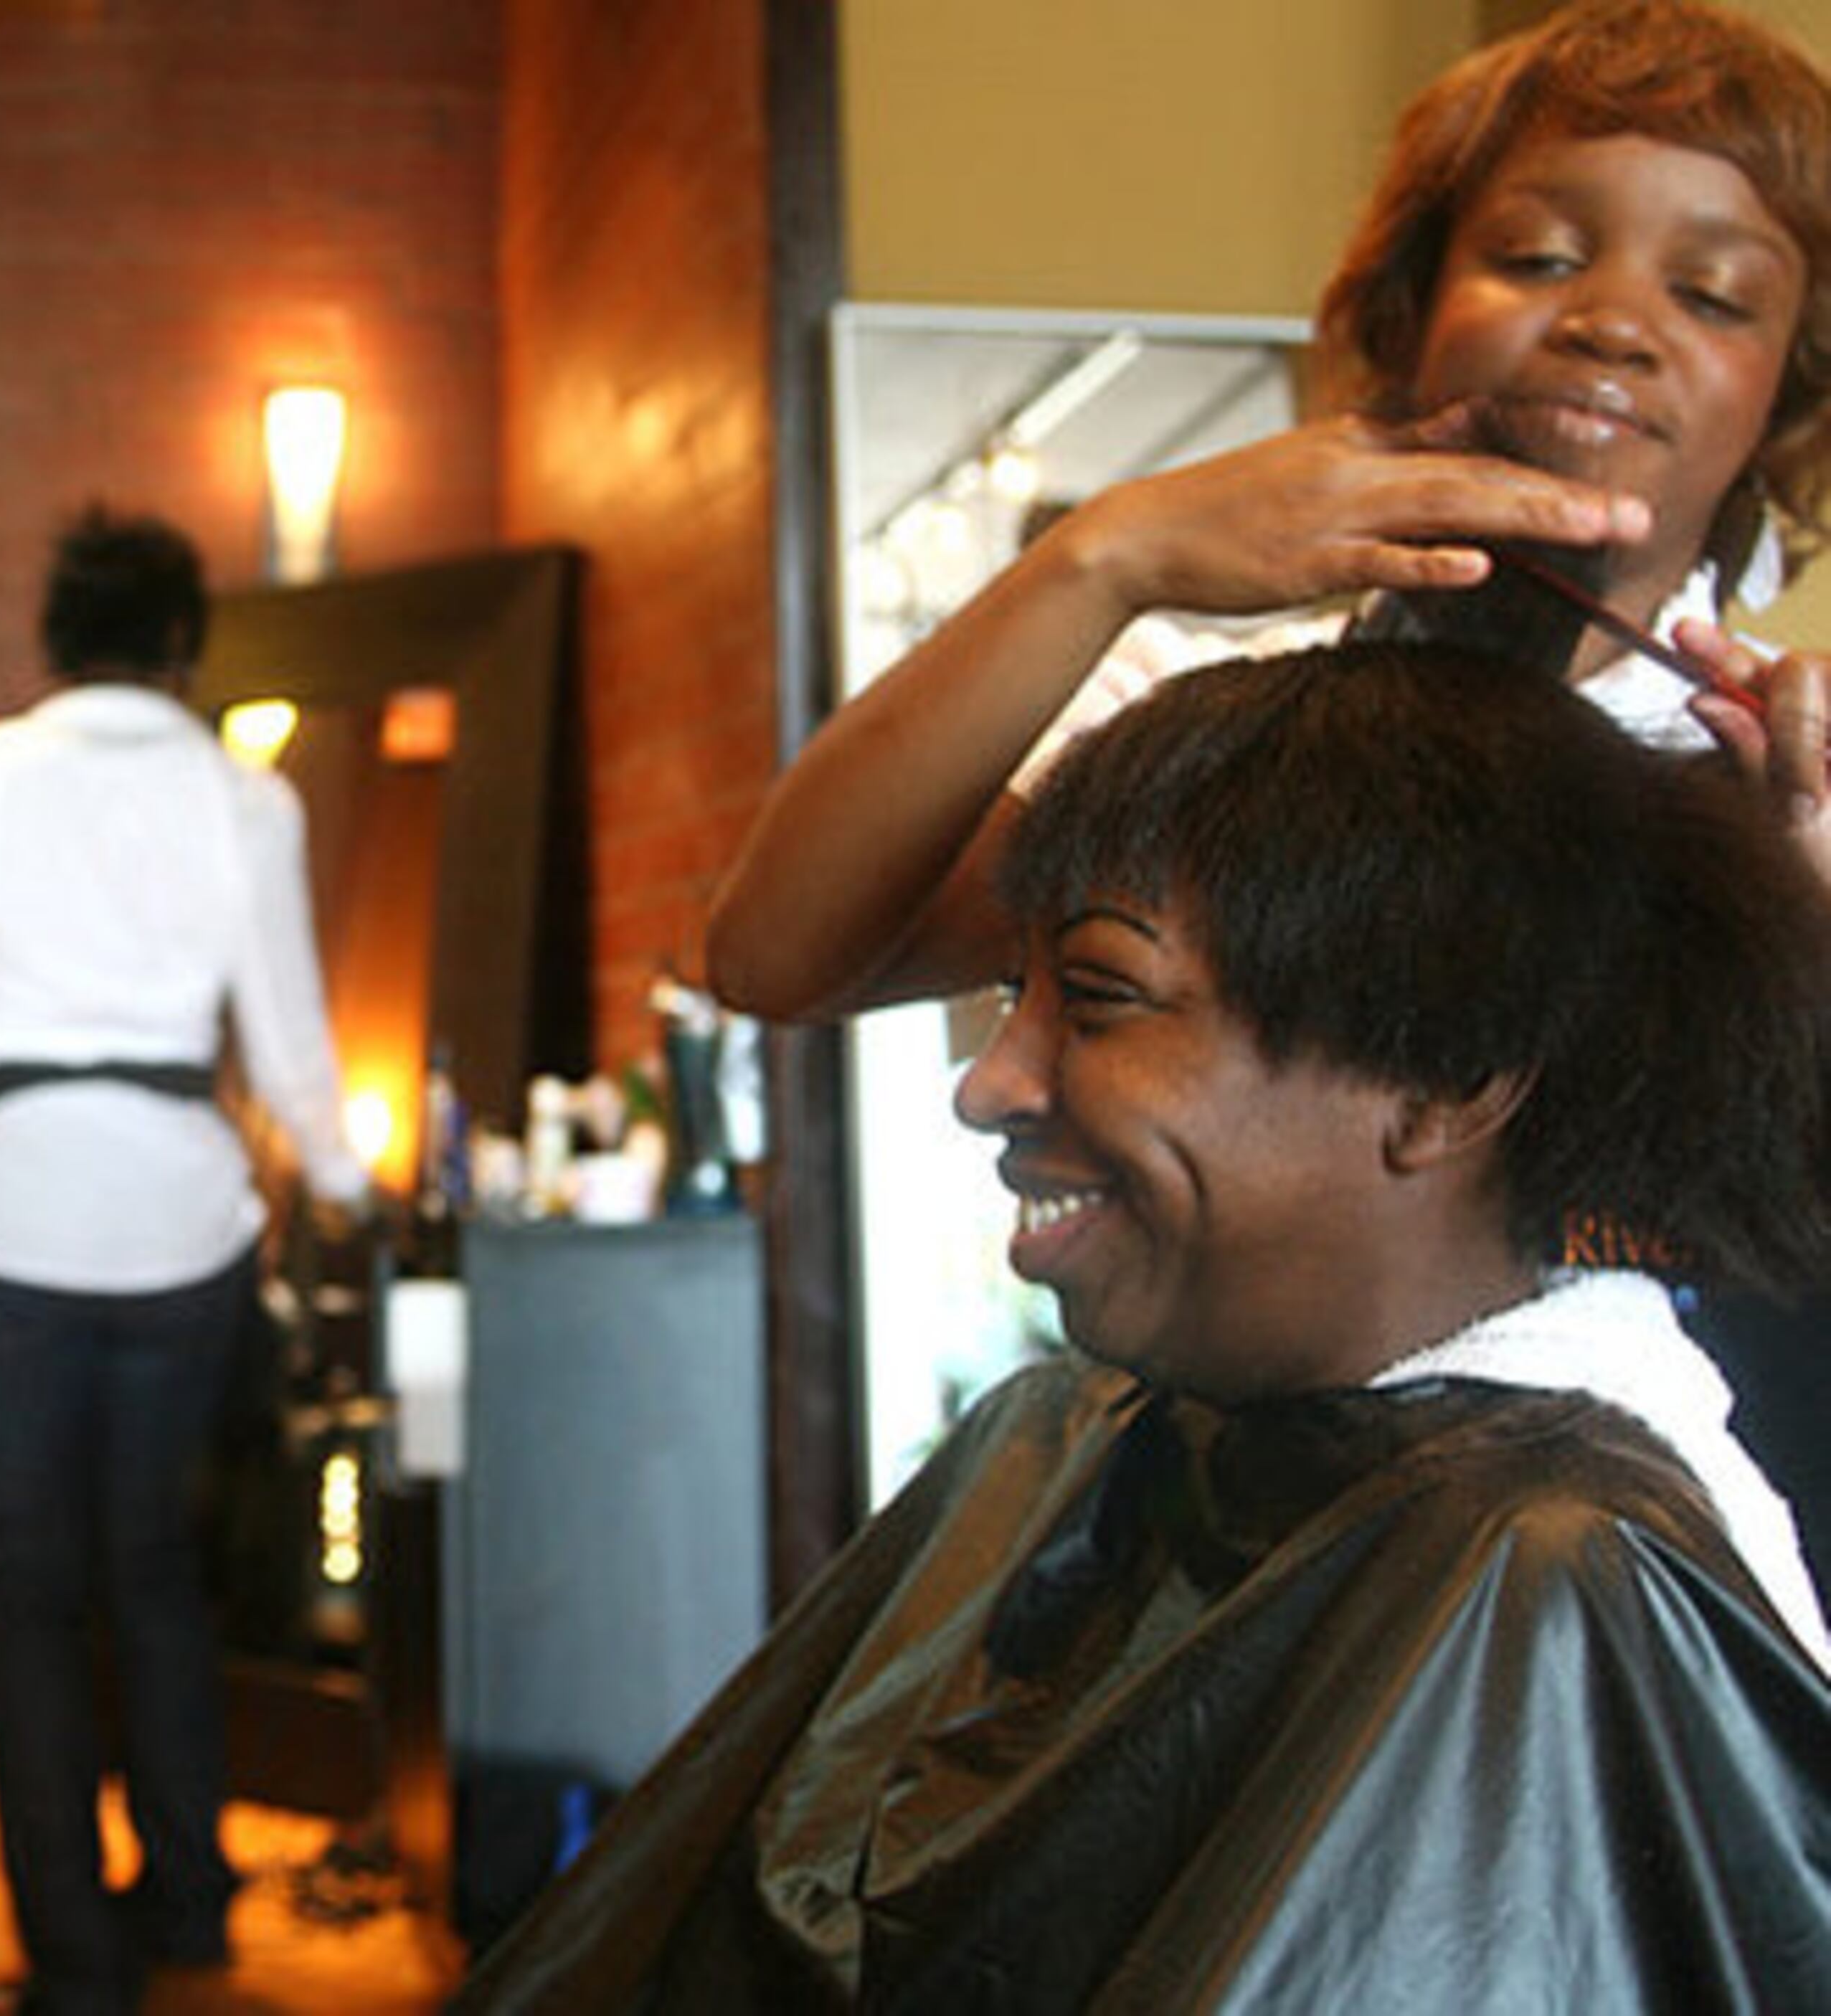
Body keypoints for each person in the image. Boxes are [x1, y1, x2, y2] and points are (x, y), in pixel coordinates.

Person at [455, 639, 1831, 2014]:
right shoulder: (1068, 1434)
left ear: (1442, 1081)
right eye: (1014, 994)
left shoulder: (1565, 1587)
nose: (989, 1085)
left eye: (1100, 997)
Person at [707, 0, 1831, 1594]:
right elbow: (777, 952)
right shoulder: (1216, 717)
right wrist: (1109, 559)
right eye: (1536, 258)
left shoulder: (1769, 792)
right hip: (1236, 1560)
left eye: (1712, 294)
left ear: (1786, 393)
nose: (1614, 323)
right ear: (1414, 303)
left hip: (1611, 1589)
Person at [0, 504, 369, 2016]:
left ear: (52, 642)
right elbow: (289, 1047)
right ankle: (192, 1911)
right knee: (154, 1570)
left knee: (25, 1596)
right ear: (186, 644)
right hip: (182, 1225)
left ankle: (75, 1968)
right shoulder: (246, 799)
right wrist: (351, 1192)